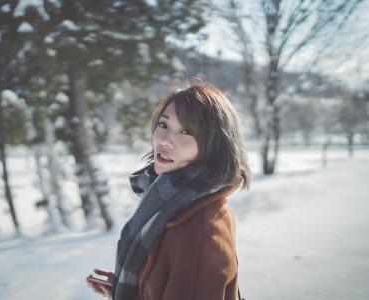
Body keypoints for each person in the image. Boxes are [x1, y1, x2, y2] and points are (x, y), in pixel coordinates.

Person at [87, 82, 251, 300]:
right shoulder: (170, 205)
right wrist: (129, 291)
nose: (165, 141)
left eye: (186, 131)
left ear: (214, 144)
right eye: (163, 125)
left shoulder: (198, 229)